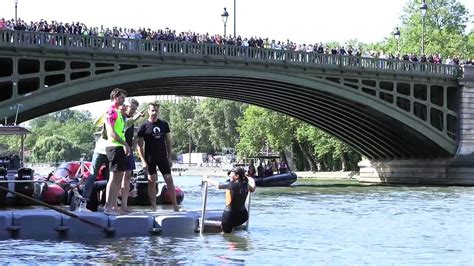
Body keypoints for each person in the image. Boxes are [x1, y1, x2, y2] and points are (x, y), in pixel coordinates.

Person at [137, 103, 179, 211]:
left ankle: (175, 206)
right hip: (150, 157)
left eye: (156, 110)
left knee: (169, 179)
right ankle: (153, 206)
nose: (154, 113)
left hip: (162, 157)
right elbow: (140, 146)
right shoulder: (143, 126)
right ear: (148, 111)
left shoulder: (164, 124)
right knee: (152, 181)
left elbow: (168, 142)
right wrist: (143, 161)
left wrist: (169, 157)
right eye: (152, 110)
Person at [202, 167, 256, 233]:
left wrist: (206, 179)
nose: (230, 175)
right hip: (243, 216)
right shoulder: (246, 185)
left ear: (236, 176)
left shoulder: (231, 185)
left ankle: (231, 241)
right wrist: (252, 180)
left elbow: (218, 185)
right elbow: (253, 189)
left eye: (231, 174)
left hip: (229, 216)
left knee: (226, 236)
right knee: (232, 231)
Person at [103, 88, 130, 215]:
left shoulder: (119, 113)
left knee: (119, 178)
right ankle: (108, 206)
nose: (124, 100)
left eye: (124, 98)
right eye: (122, 98)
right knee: (113, 178)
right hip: (114, 147)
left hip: (120, 147)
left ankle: (114, 206)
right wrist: (125, 144)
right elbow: (111, 133)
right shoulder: (111, 111)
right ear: (115, 98)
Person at [120, 98, 144, 212]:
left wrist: (135, 140)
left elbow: (132, 138)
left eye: (135, 109)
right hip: (119, 149)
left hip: (128, 151)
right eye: (132, 108)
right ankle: (113, 203)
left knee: (128, 176)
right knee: (116, 178)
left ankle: (124, 204)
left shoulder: (132, 120)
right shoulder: (121, 117)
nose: (133, 111)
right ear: (126, 106)